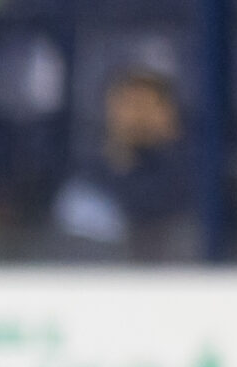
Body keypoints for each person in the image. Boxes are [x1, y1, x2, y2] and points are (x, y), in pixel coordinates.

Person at [50, 64, 193, 263]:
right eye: (131, 104)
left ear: (171, 116)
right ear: (109, 110)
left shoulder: (196, 185)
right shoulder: (86, 186)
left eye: (151, 105)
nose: (140, 117)